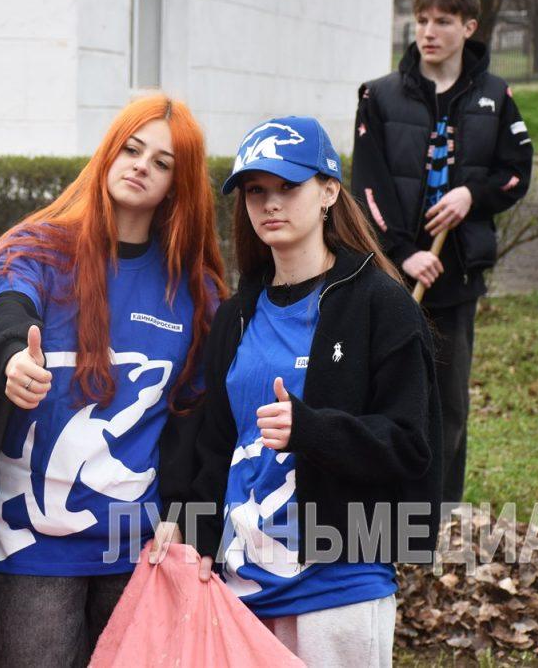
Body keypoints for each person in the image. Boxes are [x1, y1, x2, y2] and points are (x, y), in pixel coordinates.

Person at [0, 95, 227, 667]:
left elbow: (196, 422)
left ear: (179, 184)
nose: (141, 166)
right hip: (28, 546)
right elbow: (10, 308)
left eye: (162, 162)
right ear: (109, 153)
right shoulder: (36, 248)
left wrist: (186, 517)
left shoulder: (196, 291)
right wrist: (13, 357)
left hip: (136, 550)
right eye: (131, 149)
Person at [186, 116, 443, 667]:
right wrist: (197, 536)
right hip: (240, 593)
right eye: (256, 191)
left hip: (339, 588)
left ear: (329, 191)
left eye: (289, 186)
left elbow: (410, 446)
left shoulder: (381, 304)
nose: (270, 203)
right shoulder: (235, 315)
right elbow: (215, 447)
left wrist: (312, 429)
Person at [352, 0, 533, 502]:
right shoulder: (379, 96)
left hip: (455, 277)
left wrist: (471, 195)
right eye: (422, 21)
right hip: (391, 273)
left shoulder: (495, 96)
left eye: (444, 22)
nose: (429, 32)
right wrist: (401, 251)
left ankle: (439, 509)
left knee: (448, 402)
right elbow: (367, 185)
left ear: (469, 28)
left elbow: (516, 171)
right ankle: (379, 506)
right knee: (384, 390)